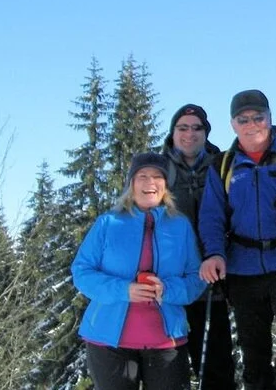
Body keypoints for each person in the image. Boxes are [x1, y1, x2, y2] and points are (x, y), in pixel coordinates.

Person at [198, 90, 276, 390]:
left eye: (259, 117)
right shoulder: (223, 166)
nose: (252, 124)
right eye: (243, 119)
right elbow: (211, 217)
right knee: (253, 350)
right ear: (232, 124)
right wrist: (214, 254)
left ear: (270, 118)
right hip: (242, 268)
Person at [72, 152, 207, 390]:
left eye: (157, 176)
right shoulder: (108, 223)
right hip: (108, 341)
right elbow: (82, 272)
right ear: (131, 183)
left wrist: (167, 289)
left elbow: (197, 279)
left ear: (165, 185)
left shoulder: (180, 226)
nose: (150, 182)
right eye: (142, 176)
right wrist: (124, 290)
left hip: (166, 341)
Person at [159, 104, 236, 388]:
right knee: (169, 368)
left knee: (216, 366)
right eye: (183, 127)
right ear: (173, 132)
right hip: (169, 284)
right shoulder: (157, 169)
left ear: (206, 133)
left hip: (213, 280)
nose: (189, 134)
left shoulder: (223, 164)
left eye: (197, 128)